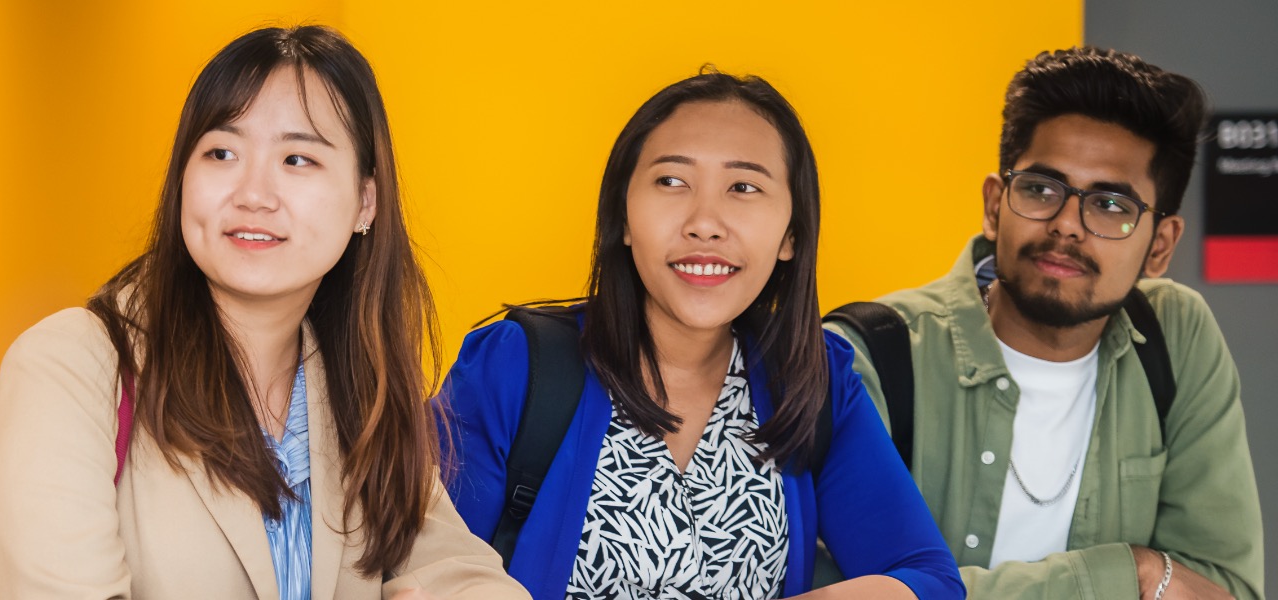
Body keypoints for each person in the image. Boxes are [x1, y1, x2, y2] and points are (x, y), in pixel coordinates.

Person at [0, 25, 528, 599]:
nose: (254, 193)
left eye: (297, 158)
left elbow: (456, 573)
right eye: (222, 152)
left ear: (366, 202)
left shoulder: (359, 394)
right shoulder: (71, 366)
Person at [436, 71, 963, 600]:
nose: (705, 223)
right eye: (671, 181)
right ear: (622, 216)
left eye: (744, 187)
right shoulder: (513, 368)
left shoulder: (814, 383)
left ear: (792, 235)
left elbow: (927, 578)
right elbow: (424, 565)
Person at [821, 47, 1261, 599]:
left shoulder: (1175, 334)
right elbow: (824, 588)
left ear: (1161, 246)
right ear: (994, 203)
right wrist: (1130, 576)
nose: (1067, 225)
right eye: (1040, 189)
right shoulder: (864, 356)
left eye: (1110, 205)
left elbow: (1223, 589)